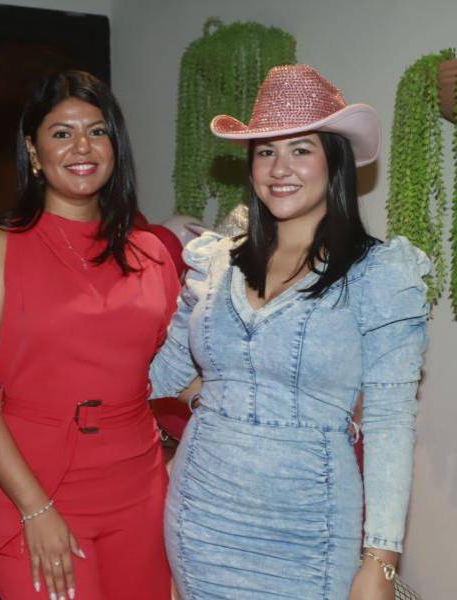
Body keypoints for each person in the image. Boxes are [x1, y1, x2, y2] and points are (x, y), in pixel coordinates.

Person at [150, 65, 430, 600]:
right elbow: (160, 374)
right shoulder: (214, 264)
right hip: (201, 517)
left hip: (314, 530)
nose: (279, 168)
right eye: (265, 151)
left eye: (301, 149)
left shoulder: (379, 275)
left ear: (335, 162)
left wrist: (381, 561)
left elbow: (392, 424)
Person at [0, 70, 177, 600]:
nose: (82, 146)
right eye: (61, 133)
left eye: (97, 131)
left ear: (115, 147)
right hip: (34, 484)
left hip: (141, 491)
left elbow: (170, 371)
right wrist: (34, 506)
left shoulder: (152, 253)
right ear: (33, 151)